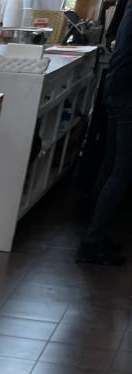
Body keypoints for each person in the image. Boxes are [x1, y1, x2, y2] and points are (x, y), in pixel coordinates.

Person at [77, 0, 132, 265]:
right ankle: (92, 242)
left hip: (117, 88)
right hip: (128, 94)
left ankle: (97, 232)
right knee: (122, 170)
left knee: (110, 164)